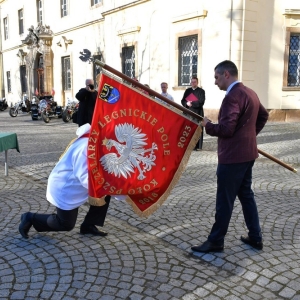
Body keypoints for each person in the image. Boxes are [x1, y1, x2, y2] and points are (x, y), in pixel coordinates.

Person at [191, 60, 269, 253]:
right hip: (247, 154)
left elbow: (226, 129)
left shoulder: (232, 97)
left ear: (227, 74)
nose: (215, 82)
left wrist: (207, 125)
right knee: (246, 195)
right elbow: (264, 115)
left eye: (217, 77)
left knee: (225, 200)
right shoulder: (250, 92)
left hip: (233, 158)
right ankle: (255, 236)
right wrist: (248, 136)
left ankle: (216, 240)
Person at [18, 123, 111, 239]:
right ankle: (30, 217)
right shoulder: (85, 147)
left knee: (106, 192)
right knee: (65, 224)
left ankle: (89, 224)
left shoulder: (95, 141)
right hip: (65, 187)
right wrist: (109, 186)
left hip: (75, 185)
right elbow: (83, 177)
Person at [181, 77, 205, 150]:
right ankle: (188, 145)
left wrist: (192, 104)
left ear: (197, 82)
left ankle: (197, 146)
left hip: (197, 113)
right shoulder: (187, 91)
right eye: (192, 82)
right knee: (188, 129)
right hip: (188, 113)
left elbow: (201, 102)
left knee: (197, 129)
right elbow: (182, 101)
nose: (193, 83)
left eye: (195, 82)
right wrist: (186, 103)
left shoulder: (201, 91)